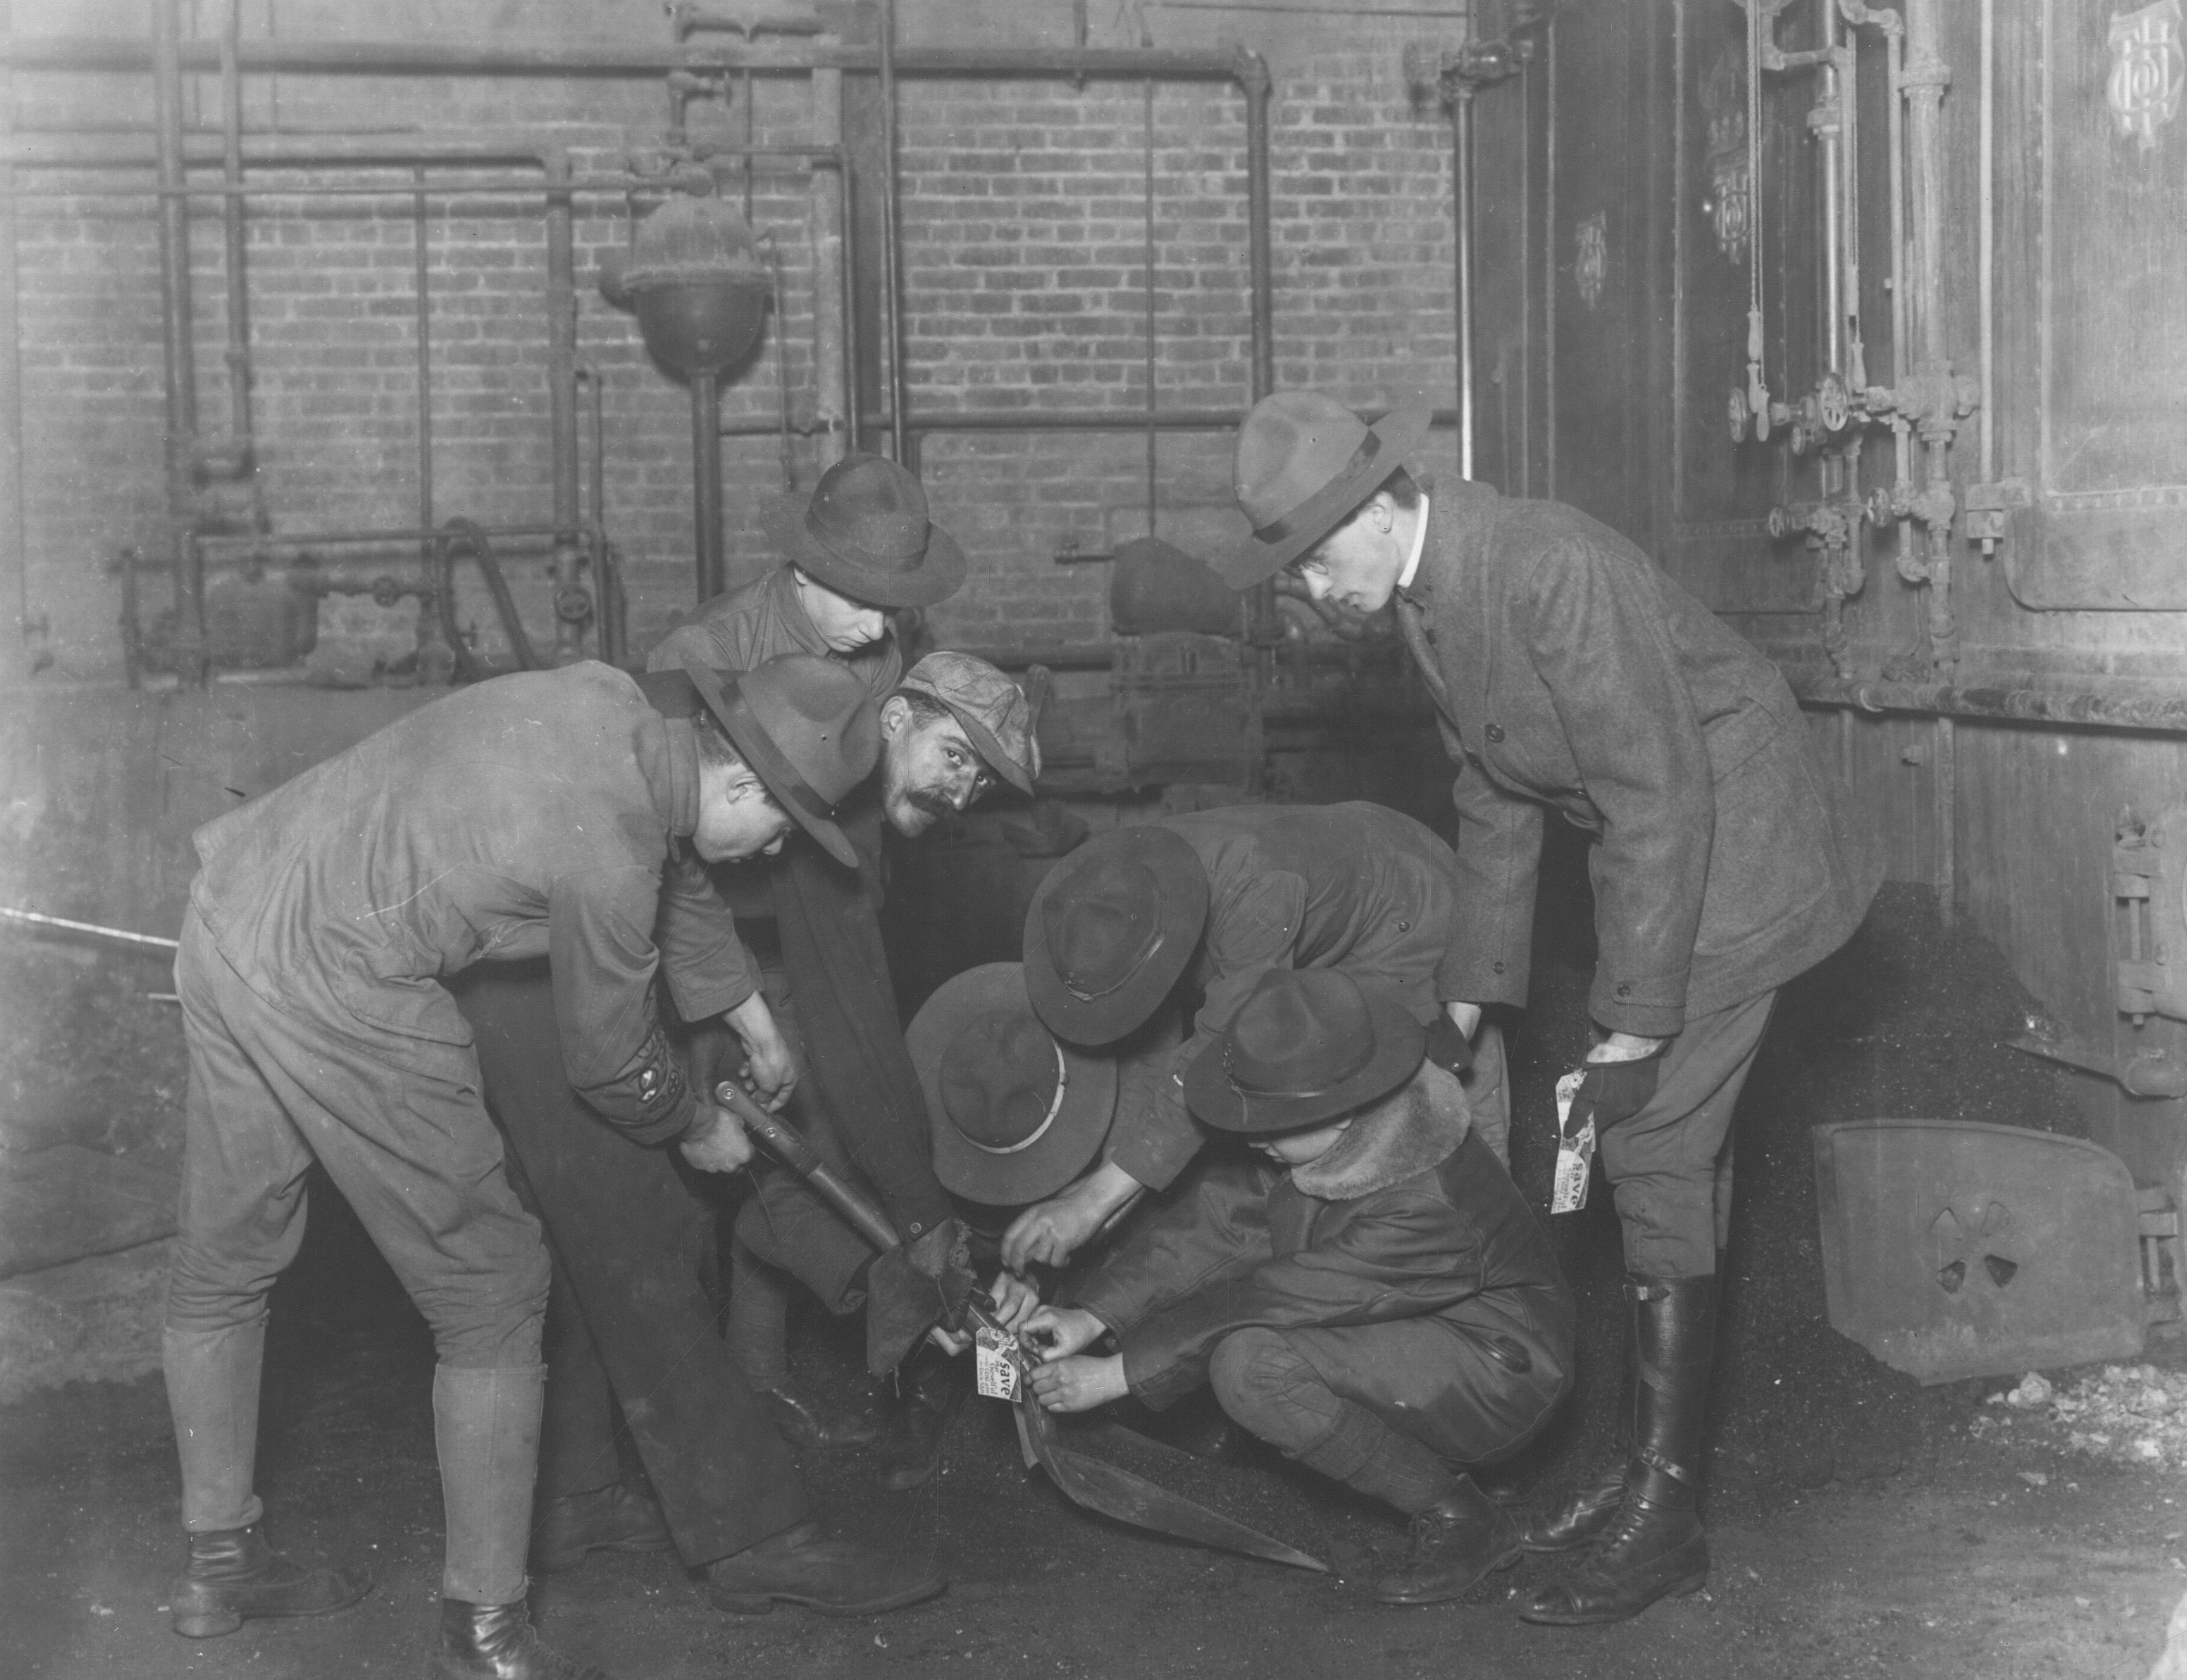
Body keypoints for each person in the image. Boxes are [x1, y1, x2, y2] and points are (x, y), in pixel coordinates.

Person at [1214, 389, 1879, 1625]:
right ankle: (1646, 1474)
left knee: (1650, 1142)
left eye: (1309, 557)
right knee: (1664, 1149)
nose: (1308, 591)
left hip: (1736, 849)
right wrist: (1465, 999)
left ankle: (1665, 1515)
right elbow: (1493, 795)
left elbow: (1652, 798)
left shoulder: (1544, 567)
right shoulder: (1428, 595)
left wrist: (1631, 1018)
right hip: (1667, 844)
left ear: (1375, 509)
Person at [160, 652, 875, 1680]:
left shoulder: (611, 703)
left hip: (231, 906)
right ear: (745, 781)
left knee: (227, 1253)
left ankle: (216, 1570)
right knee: (494, 1283)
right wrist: (691, 1125)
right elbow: (608, 1062)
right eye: (778, 830)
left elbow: (672, 871)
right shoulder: (620, 845)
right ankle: (486, 1636)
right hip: (337, 972)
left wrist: (750, 1017)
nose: (768, 854)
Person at [1021, 969, 1574, 1607]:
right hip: (1426, 1332)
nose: (1252, 1134)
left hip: (1504, 1369)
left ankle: (1464, 1519)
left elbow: (1278, 1296)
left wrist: (1119, 1373)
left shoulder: (1428, 1204)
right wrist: (1093, 1316)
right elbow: (1223, 1222)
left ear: (1339, 1114)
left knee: (1254, 1366)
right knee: (1247, 1335)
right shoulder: (1347, 1137)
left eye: (1271, 1120)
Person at [1006, 801, 1490, 1277]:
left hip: (1404, 906)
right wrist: (1101, 1191)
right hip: (1332, 881)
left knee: (1405, 1127)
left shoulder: (1253, 890)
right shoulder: (1128, 884)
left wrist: (1095, 1200)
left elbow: (1211, 1054)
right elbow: (1151, 1060)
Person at [901, 960, 1181, 1326]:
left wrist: (1044, 1270)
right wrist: (1030, 1273)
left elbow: (1125, 1179)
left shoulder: (1139, 1045)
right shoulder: (954, 1105)